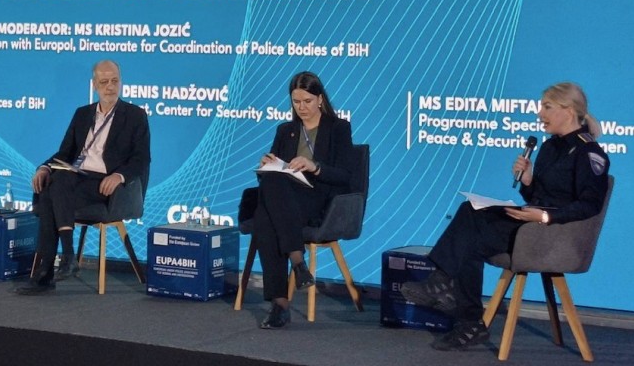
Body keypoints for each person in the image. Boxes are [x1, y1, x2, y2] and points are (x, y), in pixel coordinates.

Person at [400, 82, 610, 351]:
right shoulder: (550, 147)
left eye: (547, 107)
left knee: (469, 243)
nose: (540, 114)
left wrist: (545, 217)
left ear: (568, 111)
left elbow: (590, 206)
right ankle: (447, 292)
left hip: (553, 233)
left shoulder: (589, 153)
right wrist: (528, 180)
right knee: (470, 211)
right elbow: (538, 196)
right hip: (530, 223)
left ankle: (459, 308)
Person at [17, 59, 151, 295]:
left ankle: (46, 271)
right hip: (76, 179)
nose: (110, 87)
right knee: (53, 182)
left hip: (105, 185)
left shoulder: (135, 115)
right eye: (104, 82)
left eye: (115, 81)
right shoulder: (82, 114)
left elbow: (141, 158)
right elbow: (65, 153)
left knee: (54, 188)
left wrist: (119, 176)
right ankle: (66, 258)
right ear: (94, 85)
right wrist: (44, 167)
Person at [252, 71, 355, 328]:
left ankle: (280, 302)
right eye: (296, 102)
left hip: (320, 201)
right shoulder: (285, 130)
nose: (302, 107)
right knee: (271, 188)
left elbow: (345, 175)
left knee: (266, 216)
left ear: (320, 99)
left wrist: (314, 167)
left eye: (307, 101)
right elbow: (274, 174)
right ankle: (297, 265)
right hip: (287, 201)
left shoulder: (338, 128)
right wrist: (267, 165)